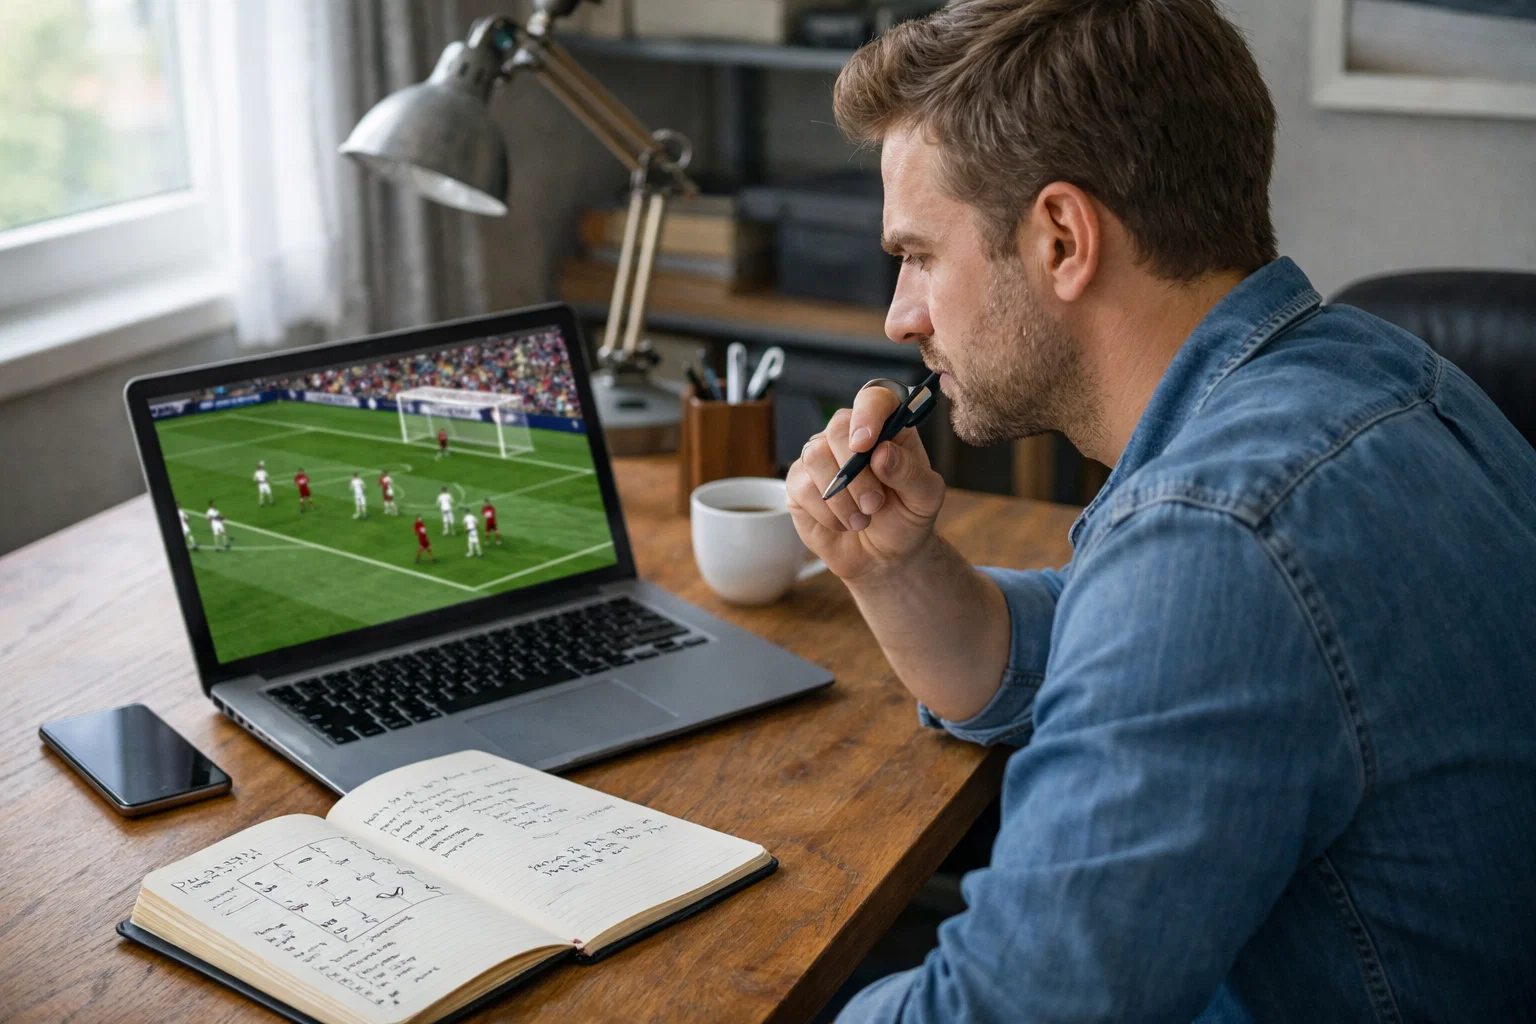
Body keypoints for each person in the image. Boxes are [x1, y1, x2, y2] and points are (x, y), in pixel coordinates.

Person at [790, 3, 1536, 1022]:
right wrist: (895, 570)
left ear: (1061, 237)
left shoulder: (1216, 537)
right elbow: (1116, 643)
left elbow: (1001, 1014)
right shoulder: (1378, 368)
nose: (900, 314)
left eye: (919, 254)